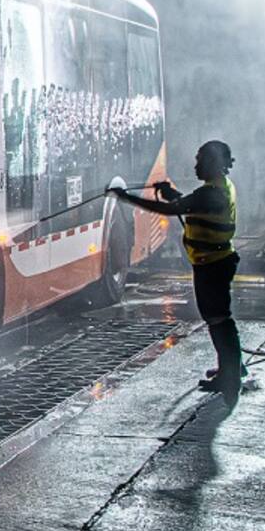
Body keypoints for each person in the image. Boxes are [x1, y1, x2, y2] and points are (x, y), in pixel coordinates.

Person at [108, 140, 242, 407]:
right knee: (218, 318)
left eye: (200, 160)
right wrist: (171, 193)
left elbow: (173, 209)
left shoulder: (212, 193)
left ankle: (231, 374)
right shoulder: (217, 189)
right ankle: (232, 368)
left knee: (218, 319)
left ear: (214, 163)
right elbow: (186, 203)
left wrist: (124, 197)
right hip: (214, 261)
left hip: (213, 264)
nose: (196, 165)